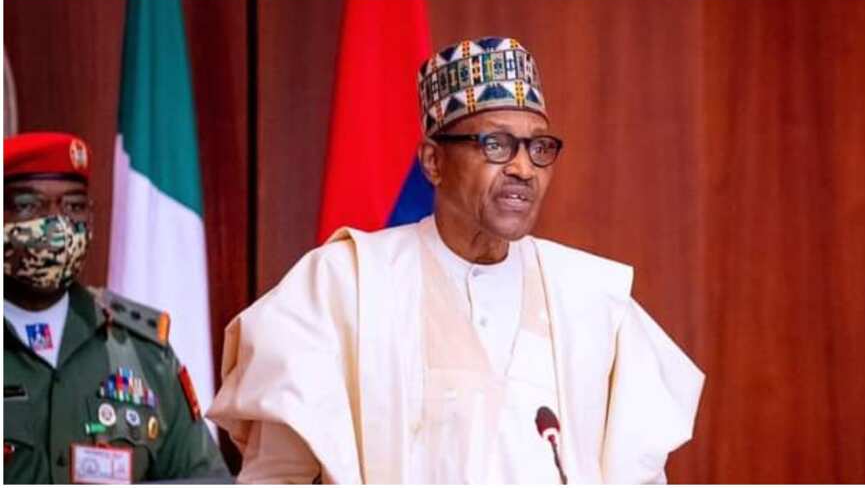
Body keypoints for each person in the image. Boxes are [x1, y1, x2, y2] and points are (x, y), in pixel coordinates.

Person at [208, 36, 705, 484]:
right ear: (433, 161)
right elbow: (277, 477)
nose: (522, 169)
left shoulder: (593, 301)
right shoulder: (345, 286)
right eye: (495, 144)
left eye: (539, 148)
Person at [3, 132, 231, 483]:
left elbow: (205, 480)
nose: (58, 225)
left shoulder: (142, 352)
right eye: (30, 206)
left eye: (74, 206)